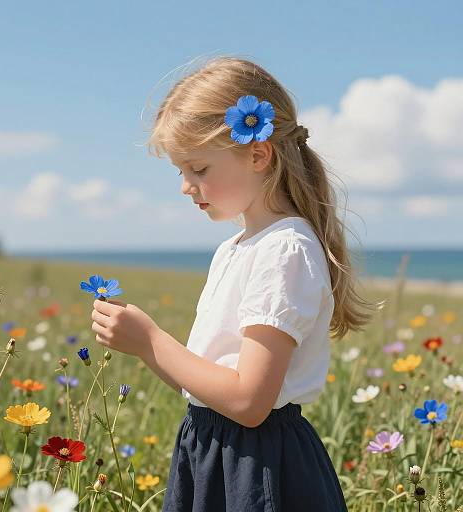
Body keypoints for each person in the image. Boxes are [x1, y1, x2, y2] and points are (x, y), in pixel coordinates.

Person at [91, 56, 381, 511]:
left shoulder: (284, 250)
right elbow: (207, 385)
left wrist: (150, 340)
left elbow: (249, 401)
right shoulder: (236, 248)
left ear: (258, 154)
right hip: (213, 453)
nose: (187, 186)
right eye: (181, 172)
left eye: (199, 169)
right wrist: (143, 346)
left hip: (259, 465)